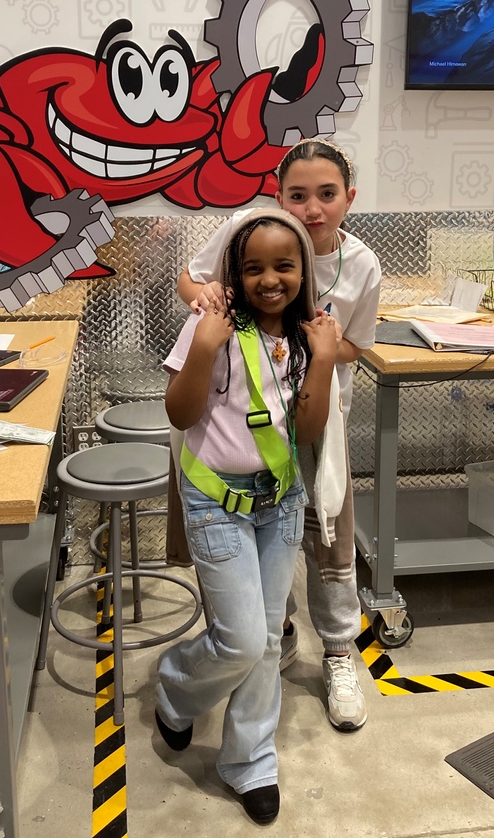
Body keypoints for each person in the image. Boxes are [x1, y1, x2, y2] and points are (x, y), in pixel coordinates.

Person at [176, 137, 382, 732]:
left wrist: (313, 349)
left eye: (326, 195)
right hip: (241, 420)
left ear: (349, 198)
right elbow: (193, 284)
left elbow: (355, 345)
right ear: (277, 193)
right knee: (267, 533)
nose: (312, 208)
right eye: (298, 195)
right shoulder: (248, 228)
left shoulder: (360, 263)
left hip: (314, 416)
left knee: (329, 535)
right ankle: (278, 630)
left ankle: (340, 651)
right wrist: (206, 297)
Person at [156, 208, 337, 826]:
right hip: (216, 503)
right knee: (238, 640)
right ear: (233, 272)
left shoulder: (307, 335)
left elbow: (308, 432)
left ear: (303, 271)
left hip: (280, 503)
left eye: (284, 266)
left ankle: (250, 761)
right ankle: (176, 685)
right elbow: (180, 416)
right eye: (253, 267)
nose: (269, 280)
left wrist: (325, 360)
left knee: (263, 644)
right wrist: (205, 347)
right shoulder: (209, 327)